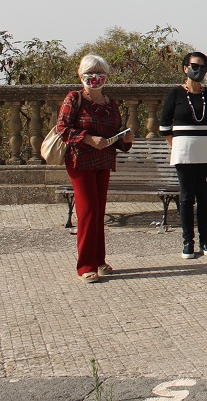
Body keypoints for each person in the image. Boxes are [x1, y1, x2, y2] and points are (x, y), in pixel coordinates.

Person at [55, 54, 134, 283]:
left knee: (98, 211)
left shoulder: (110, 103)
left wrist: (125, 139)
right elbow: (62, 128)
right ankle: (86, 265)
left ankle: (99, 259)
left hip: (104, 162)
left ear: (106, 76)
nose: (94, 78)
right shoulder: (74, 98)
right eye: (90, 73)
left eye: (100, 73)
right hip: (81, 161)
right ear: (81, 76)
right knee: (88, 211)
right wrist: (88, 139)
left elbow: (114, 134)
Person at [160, 52, 207, 259]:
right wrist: (179, 147)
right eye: (194, 65)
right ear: (185, 68)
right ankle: (187, 242)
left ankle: (205, 241)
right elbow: (164, 127)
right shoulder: (175, 94)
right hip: (184, 155)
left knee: (204, 198)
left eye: (202, 67)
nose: (198, 70)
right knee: (186, 197)